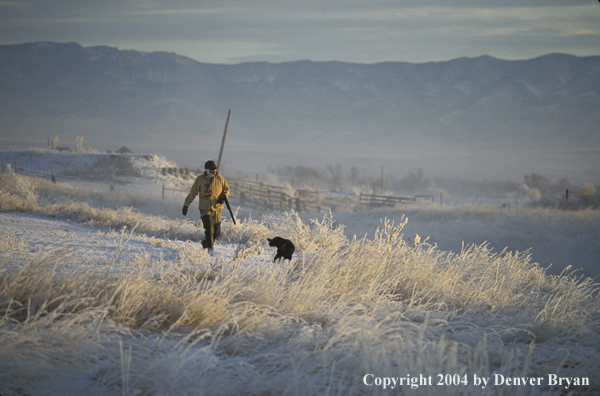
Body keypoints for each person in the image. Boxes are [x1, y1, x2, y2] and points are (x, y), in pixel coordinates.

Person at [182, 160, 230, 251]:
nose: (214, 171)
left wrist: (224, 196)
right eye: (212, 170)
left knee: (216, 232)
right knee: (209, 229)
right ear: (207, 170)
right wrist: (186, 205)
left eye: (215, 169)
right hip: (205, 208)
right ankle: (210, 250)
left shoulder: (220, 179)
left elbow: (227, 189)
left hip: (217, 208)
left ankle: (205, 243)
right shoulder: (200, 179)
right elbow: (193, 193)